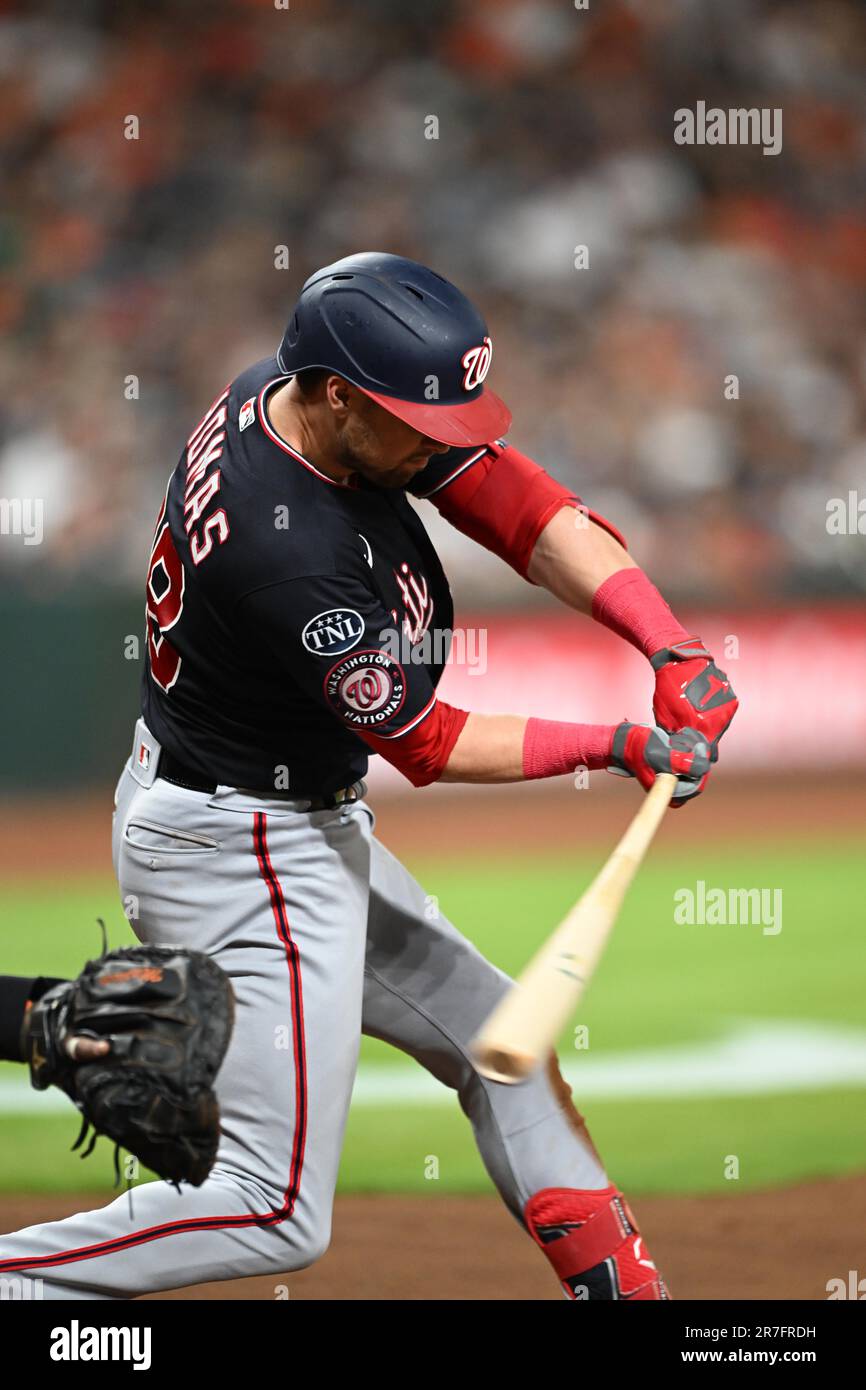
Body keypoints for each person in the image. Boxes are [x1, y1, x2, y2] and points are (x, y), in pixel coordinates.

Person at [0, 252, 737, 1300]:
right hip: (241, 846)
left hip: (275, 817)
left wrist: (666, 644)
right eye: (421, 423)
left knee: (501, 1051)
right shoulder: (278, 545)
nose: (444, 446)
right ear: (342, 398)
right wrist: (616, 745)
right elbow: (427, 744)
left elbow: (512, 500)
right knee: (269, 1209)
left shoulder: (294, 389)